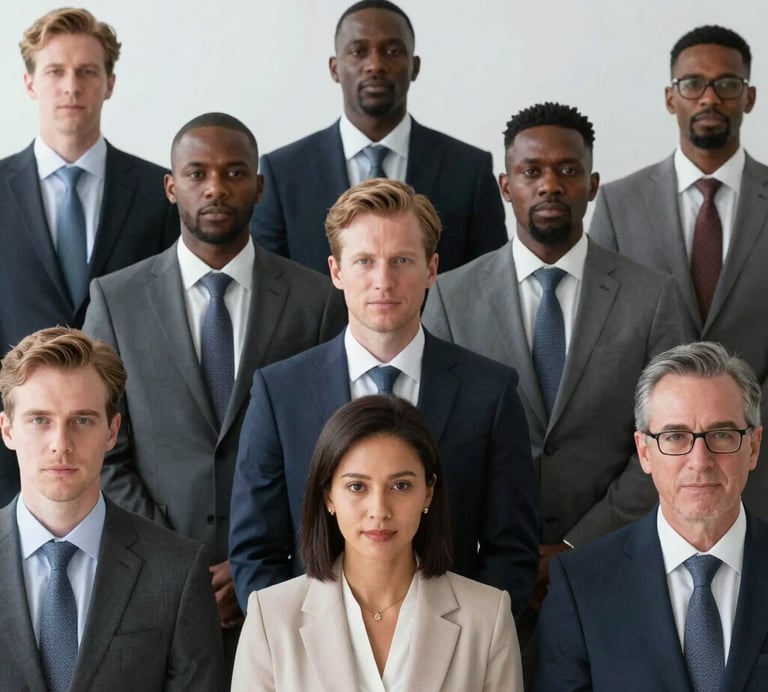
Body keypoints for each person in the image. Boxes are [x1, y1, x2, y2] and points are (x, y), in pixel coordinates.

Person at [82, 112, 346, 673]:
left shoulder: (316, 301)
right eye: (198, 173)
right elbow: (98, 445)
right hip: (151, 579)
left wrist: (257, 560)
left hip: (284, 584)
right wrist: (179, 559)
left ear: (259, 185)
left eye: (234, 173)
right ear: (171, 186)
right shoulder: (116, 300)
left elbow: (330, 449)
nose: (216, 188)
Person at [422, 103, 692, 624]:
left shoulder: (651, 296)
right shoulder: (450, 297)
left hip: (615, 559)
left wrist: (578, 544)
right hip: (481, 571)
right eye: (531, 171)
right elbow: (437, 438)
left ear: (591, 185)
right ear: (505, 185)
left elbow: (670, 438)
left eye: (567, 170)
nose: (550, 185)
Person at [230, 178, 538, 618]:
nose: (383, 281)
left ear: (431, 269)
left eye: (401, 260)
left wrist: (466, 644)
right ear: (336, 272)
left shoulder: (490, 392)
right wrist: (296, 647)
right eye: (364, 261)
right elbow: (255, 550)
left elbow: (511, 550)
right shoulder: (280, 392)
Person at [0, 8, 178, 507]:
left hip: (130, 464)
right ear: (31, 83)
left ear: (110, 83)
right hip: (14, 458)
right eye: (55, 71)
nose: (71, 87)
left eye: (87, 72)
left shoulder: (158, 192)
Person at [589, 25, 768, 519]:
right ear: (671, 98)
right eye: (692, 84)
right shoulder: (618, 204)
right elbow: (603, 341)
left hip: (760, 466)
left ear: (748, 96)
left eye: (726, 84)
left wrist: (745, 436)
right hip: (652, 473)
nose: (709, 96)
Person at [232, 395, 523, 691]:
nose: (379, 510)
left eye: (400, 486)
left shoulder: (488, 616)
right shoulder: (271, 617)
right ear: (328, 496)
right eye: (357, 486)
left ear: (428, 493)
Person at [536, 342, 768, 692]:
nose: (700, 460)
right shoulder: (582, 585)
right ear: (644, 451)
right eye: (675, 436)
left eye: (721, 434)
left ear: (753, 447)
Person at [0, 327, 223, 691]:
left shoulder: (177, 572)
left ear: (111, 430)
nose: (61, 444)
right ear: (7, 430)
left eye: (82, 420)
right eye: (40, 420)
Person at [250, 0, 507, 276]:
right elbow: (269, 283)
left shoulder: (469, 169)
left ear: (415, 66)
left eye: (393, 51)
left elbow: (489, 280)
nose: (375, 64)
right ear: (335, 68)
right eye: (358, 51)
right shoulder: (283, 172)